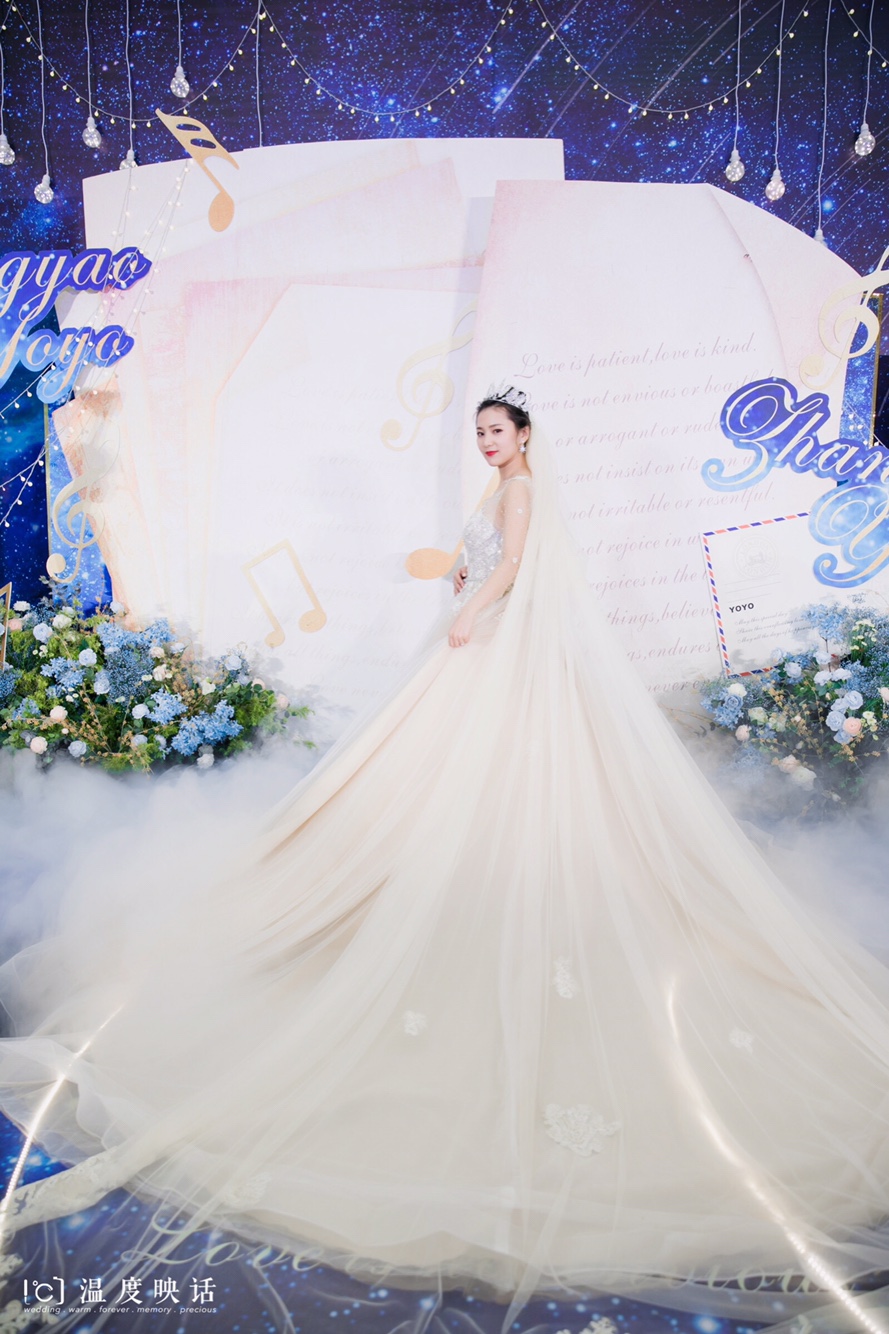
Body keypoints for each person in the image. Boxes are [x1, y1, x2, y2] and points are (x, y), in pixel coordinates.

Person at [2, 386, 889, 1334]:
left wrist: (471, 607)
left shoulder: (522, 491)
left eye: (496, 431)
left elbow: (512, 566)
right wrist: (464, 591)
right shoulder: (500, 487)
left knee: (495, 788)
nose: (485, 443)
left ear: (524, 434)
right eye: (478, 433)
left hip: (496, 647)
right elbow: (488, 561)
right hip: (483, 642)